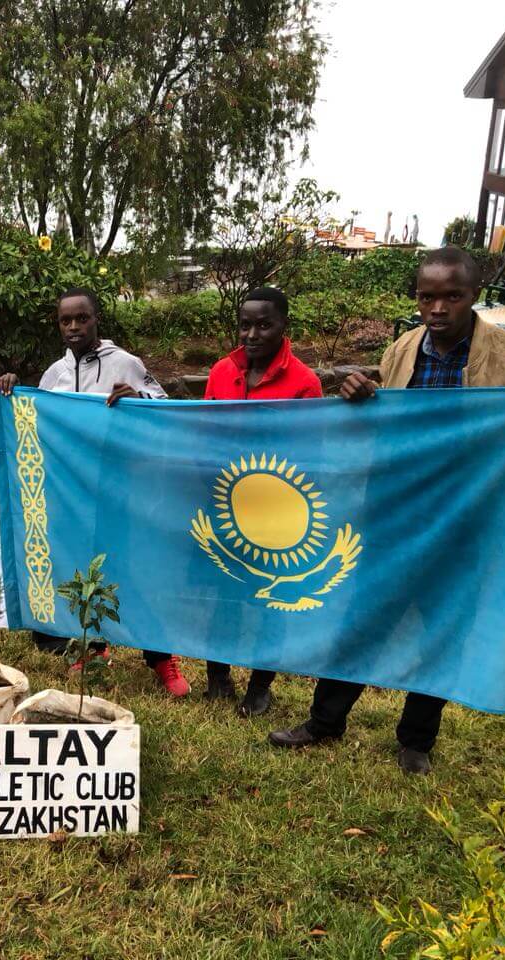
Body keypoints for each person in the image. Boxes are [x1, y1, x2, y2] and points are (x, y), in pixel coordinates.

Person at [268, 246, 505, 775]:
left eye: (452, 296)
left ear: (473, 296)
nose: (438, 308)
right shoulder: (402, 350)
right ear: (416, 299)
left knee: (441, 627)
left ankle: (416, 740)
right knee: (362, 619)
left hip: (466, 521)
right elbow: (388, 433)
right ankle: (324, 722)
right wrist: (362, 398)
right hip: (396, 514)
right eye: (427, 296)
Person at [0, 286, 191, 698]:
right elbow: (36, 417)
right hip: (74, 496)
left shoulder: (126, 363)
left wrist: (138, 398)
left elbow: (165, 407)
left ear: (95, 318)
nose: (73, 327)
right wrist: (11, 386)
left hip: (124, 489)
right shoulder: (55, 374)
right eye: (65, 320)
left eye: (81, 318)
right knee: (85, 570)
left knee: (137, 570)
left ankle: (161, 658)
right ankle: (94, 648)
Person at [202, 286, 322, 717]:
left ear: (283, 325)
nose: (252, 334)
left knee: (272, 601)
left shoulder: (304, 382)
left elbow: (312, 454)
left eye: (264, 325)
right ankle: (217, 676)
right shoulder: (220, 372)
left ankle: (260, 684)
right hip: (225, 503)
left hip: (277, 511)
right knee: (223, 593)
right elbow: (198, 433)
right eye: (245, 324)